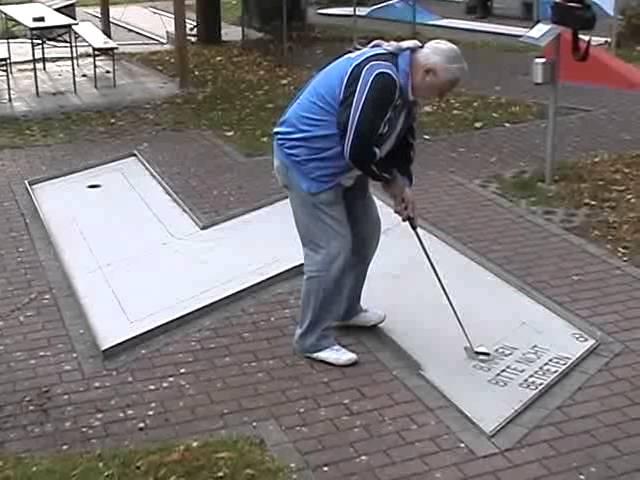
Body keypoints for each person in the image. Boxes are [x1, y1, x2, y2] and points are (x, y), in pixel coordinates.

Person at [272, 38, 467, 367]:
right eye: (443, 90)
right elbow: (356, 146)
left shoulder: (406, 84)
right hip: (308, 161)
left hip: (344, 166)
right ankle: (312, 339)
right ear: (429, 72)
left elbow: (402, 137)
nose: (442, 99)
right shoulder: (381, 77)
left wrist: (403, 181)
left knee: (365, 234)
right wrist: (388, 181)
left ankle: (346, 309)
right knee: (331, 250)